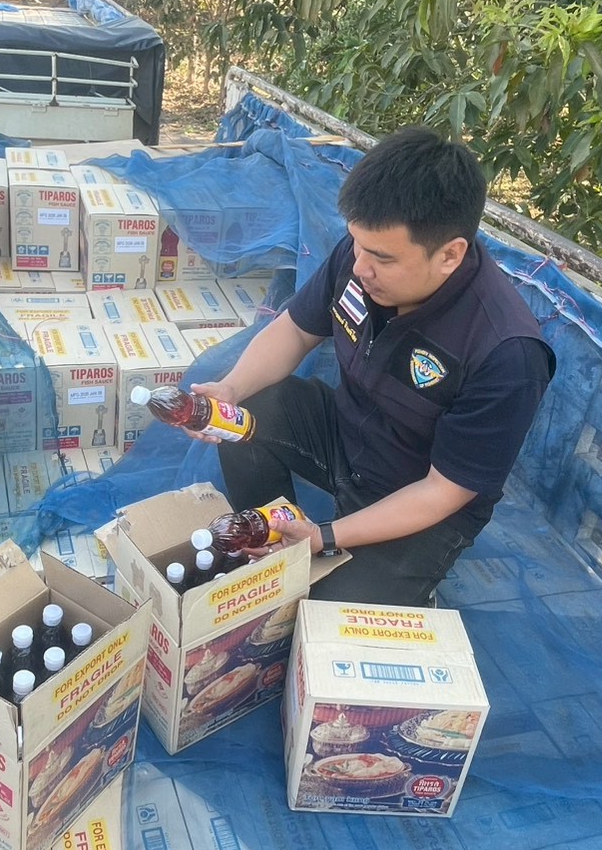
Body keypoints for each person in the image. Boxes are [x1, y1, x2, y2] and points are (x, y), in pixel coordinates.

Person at [181, 126, 555, 607]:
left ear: (449, 255)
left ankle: (375, 572)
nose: (360, 267)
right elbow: (294, 330)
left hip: (419, 496)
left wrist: (326, 537)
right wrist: (231, 389)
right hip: (349, 438)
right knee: (244, 413)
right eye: (356, 244)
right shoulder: (360, 258)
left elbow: (444, 492)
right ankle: (271, 537)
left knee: (327, 615)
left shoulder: (505, 353)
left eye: (381, 258)